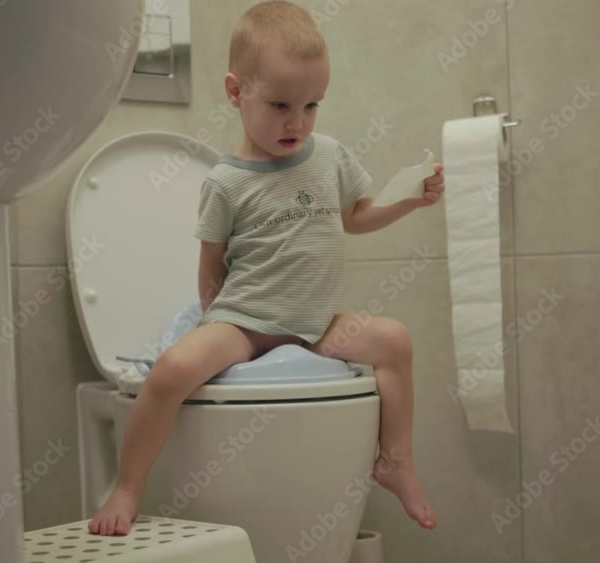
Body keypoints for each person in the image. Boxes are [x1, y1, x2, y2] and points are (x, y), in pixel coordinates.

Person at [89, 0, 444, 536]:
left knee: (394, 341)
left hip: (315, 326)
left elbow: (355, 216)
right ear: (237, 92)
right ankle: (128, 485)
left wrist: (407, 202)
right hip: (246, 324)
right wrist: (215, 323)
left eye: (311, 106)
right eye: (280, 104)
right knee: (170, 373)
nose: (296, 122)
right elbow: (211, 263)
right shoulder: (226, 183)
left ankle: (396, 461)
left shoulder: (330, 157)